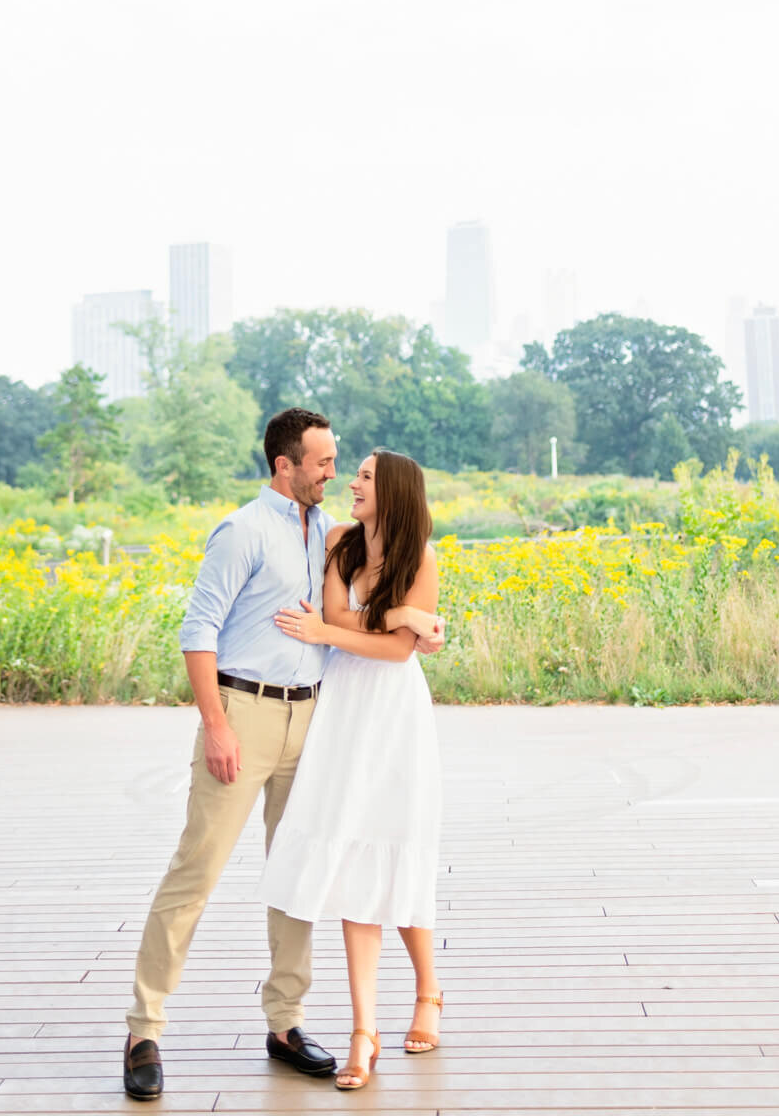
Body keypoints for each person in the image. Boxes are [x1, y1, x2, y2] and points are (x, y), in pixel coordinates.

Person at [121, 409, 443, 1102]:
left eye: (339, 463)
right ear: (284, 466)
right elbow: (198, 628)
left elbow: (347, 619)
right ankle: (144, 1029)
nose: (333, 471)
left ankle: (286, 1024)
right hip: (244, 711)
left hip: (317, 718)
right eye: (323, 462)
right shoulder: (244, 530)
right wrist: (216, 724)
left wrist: (410, 619)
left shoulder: (327, 534)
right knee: (195, 871)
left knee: (299, 871)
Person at [259, 447, 445, 1091]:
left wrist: (393, 623)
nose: (352, 484)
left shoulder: (420, 557)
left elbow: (394, 656)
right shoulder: (340, 539)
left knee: (396, 846)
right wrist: (397, 615)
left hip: (394, 714)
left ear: (391, 490)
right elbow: (338, 618)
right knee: (351, 858)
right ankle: (363, 1032)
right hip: (342, 710)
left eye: (364, 477)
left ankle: (428, 990)